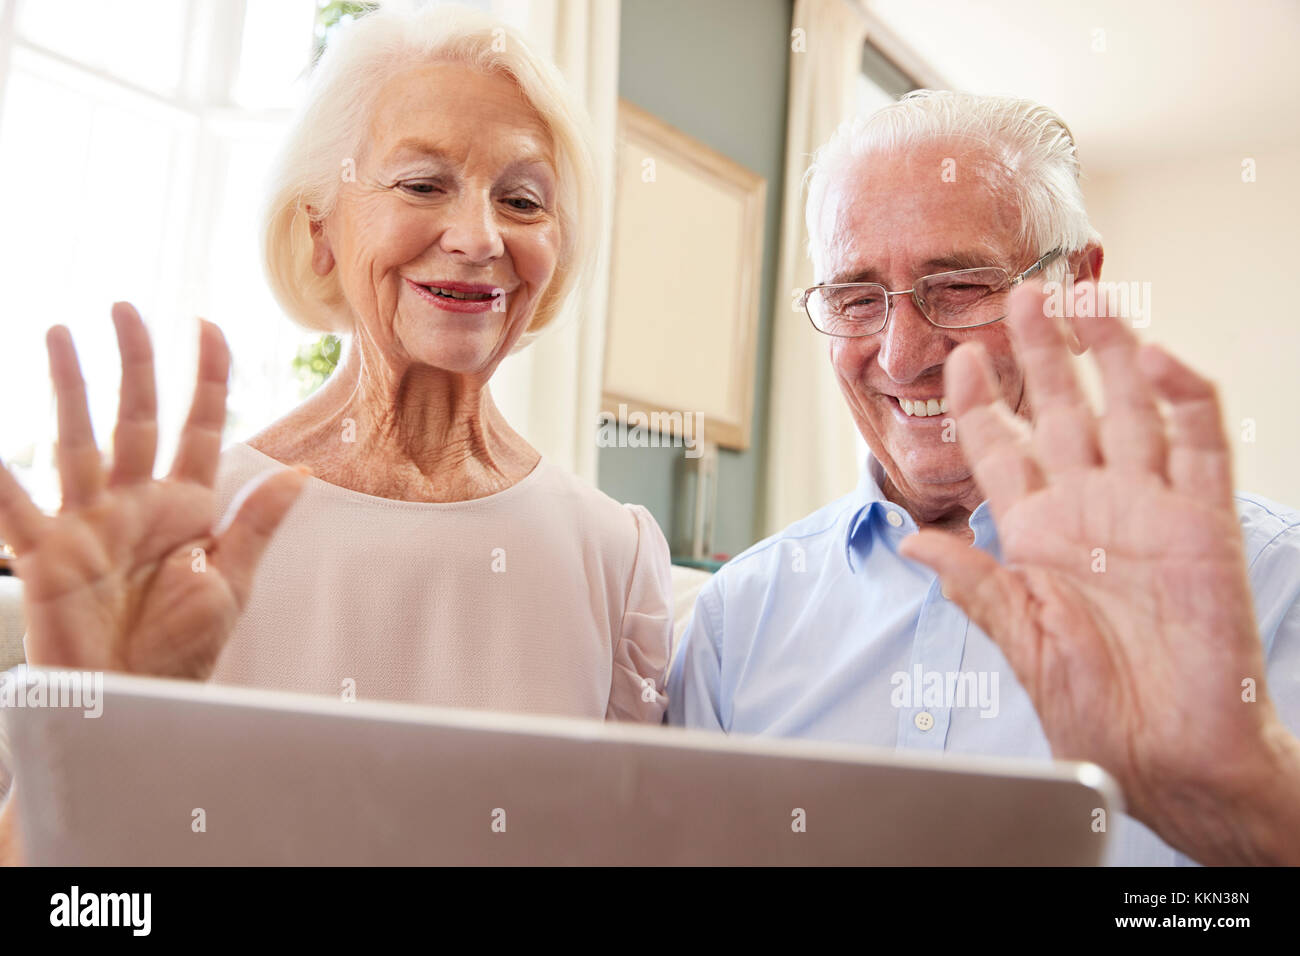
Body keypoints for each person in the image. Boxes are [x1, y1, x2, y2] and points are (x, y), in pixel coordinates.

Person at [0, 4, 671, 864]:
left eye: (523, 199)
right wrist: (86, 724)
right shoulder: (193, 532)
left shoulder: (613, 558)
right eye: (423, 183)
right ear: (319, 230)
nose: (478, 237)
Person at [667, 91, 1300, 866]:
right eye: (857, 298)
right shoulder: (738, 621)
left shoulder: (1271, 582)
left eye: (961, 285)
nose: (902, 357)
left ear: (1077, 289)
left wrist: (1258, 816)